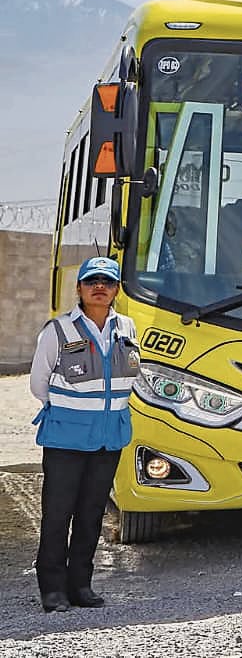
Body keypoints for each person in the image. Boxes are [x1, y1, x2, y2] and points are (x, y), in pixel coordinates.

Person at [29, 256, 139, 612]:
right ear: (79, 289)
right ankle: (53, 589)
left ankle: (81, 585)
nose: (99, 287)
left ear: (117, 290)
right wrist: (68, 410)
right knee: (58, 515)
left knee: (91, 514)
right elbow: (38, 384)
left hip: (109, 440)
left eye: (107, 282)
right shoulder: (58, 330)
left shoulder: (128, 328)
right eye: (91, 281)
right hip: (66, 440)